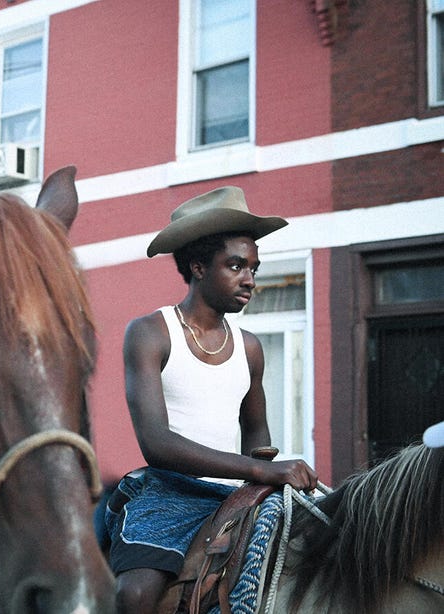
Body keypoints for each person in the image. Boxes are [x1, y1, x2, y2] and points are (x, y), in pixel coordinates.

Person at [105, 186, 319, 614]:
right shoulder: (150, 332)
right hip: (168, 494)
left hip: (237, 497)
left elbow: (255, 431)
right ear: (199, 266)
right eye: (236, 266)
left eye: (254, 268)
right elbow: (157, 444)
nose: (250, 280)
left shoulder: (250, 347)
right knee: (135, 595)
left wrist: (259, 480)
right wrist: (263, 469)